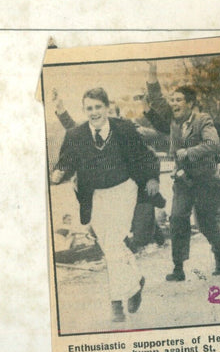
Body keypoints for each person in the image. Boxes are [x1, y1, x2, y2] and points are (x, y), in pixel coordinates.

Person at [51, 87, 160, 322]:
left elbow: (145, 156)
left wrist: (152, 177)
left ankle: (116, 303)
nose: (94, 112)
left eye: (98, 107)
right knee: (113, 245)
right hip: (95, 196)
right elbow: (67, 160)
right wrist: (59, 172)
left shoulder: (124, 129)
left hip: (124, 189)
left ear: (107, 107)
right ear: (84, 110)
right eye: (89, 108)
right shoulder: (77, 135)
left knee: (112, 242)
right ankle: (135, 281)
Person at [51, 89, 166, 252]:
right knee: (111, 237)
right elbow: (75, 131)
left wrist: (152, 178)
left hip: (133, 188)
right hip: (106, 194)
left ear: (116, 116)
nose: (99, 116)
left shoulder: (129, 130)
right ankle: (131, 264)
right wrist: (61, 110)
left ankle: (148, 236)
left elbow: (150, 153)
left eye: (108, 112)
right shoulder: (90, 133)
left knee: (135, 233)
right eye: (91, 109)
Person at [145, 65, 220, 281]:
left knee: (207, 225)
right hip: (183, 181)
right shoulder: (174, 121)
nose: (173, 104)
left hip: (206, 181)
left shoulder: (203, 120)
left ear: (190, 104)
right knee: (177, 219)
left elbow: (214, 144)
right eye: (172, 101)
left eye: (179, 100)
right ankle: (178, 268)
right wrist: (152, 74)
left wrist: (188, 152)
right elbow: (156, 99)